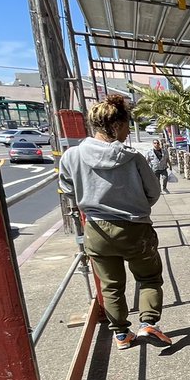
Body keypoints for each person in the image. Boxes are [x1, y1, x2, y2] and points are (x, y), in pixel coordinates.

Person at [59, 95, 171, 350]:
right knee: (149, 278)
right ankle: (148, 323)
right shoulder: (133, 157)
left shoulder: (71, 156)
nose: (128, 131)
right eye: (127, 125)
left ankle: (121, 334)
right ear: (117, 125)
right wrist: (136, 204)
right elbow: (153, 192)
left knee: (111, 286)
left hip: (96, 229)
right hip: (135, 228)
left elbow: (67, 190)